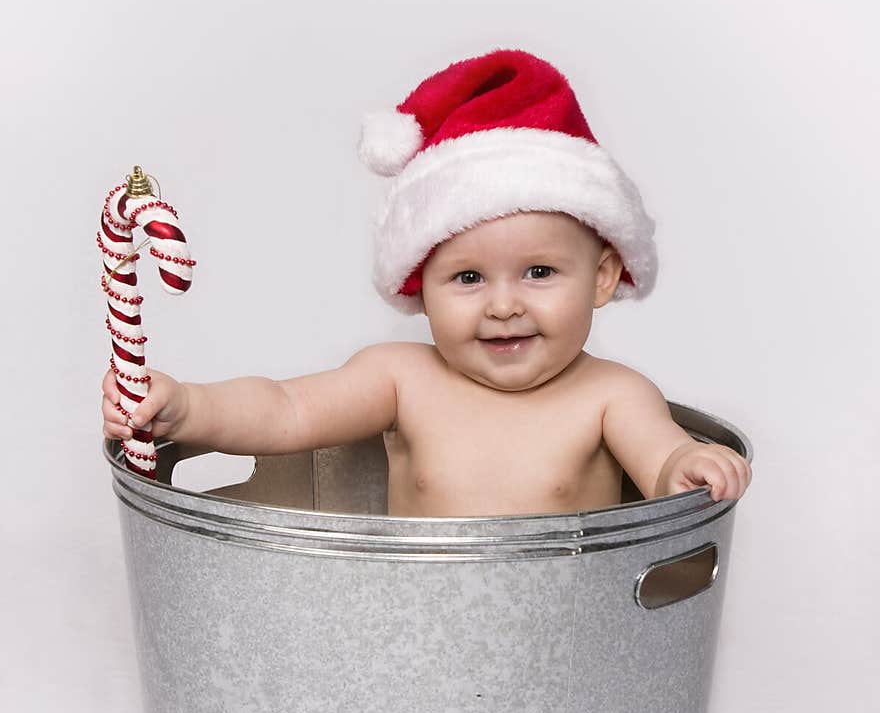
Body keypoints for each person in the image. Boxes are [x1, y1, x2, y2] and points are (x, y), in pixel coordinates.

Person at [101, 48, 752, 517]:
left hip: (565, 647)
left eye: (540, 271)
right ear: (420, 286)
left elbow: (662, 464)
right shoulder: (402, 379)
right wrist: (187, 407)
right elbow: (285, 410)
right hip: (416, 642)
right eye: (467, 276)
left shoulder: (612, 396)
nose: (503, 304)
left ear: (604, 276)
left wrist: (683, 469)